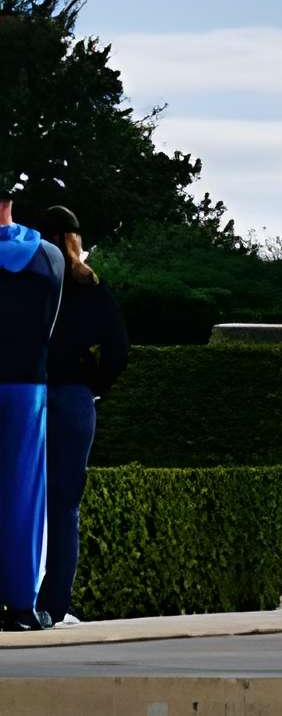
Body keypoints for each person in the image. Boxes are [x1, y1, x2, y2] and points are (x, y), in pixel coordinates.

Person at [36, 207, 124, 630]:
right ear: (74, 238)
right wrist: (95, 384)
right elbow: (118, 349)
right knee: (64, 505)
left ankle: (18, 599)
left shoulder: (25, 281)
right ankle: (53, 606)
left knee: (19, 498)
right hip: (72, 397)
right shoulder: (92, 287)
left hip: (23, 393)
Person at [0, 183, 64, 634]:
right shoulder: (48, 257)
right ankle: (23, 603)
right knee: (24, 494)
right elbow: (51, 325)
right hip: (27, 385)